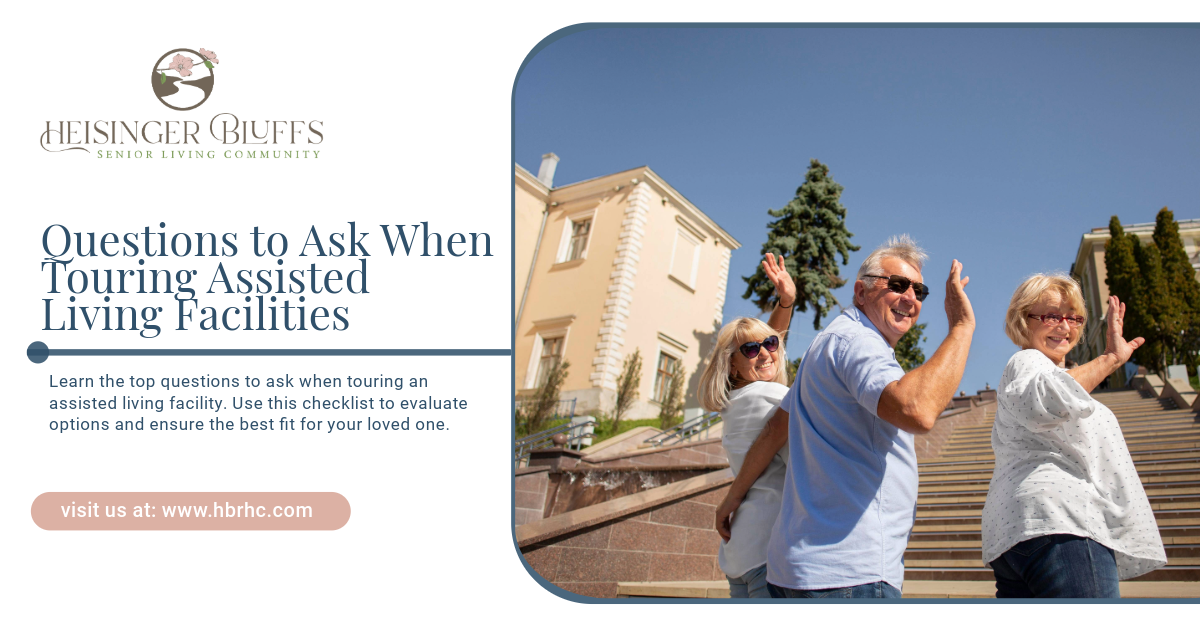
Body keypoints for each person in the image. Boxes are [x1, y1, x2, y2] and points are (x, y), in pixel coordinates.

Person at [715, 235, 975, 598]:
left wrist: (733, 496)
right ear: (860, 292)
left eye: (920, 290)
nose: (910, 298)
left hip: (801, 571)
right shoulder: (858, 341)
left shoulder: (829, 342)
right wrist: (961, 328)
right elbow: (916, 409)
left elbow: (776, 429)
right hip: (849, 573)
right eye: (898, 285)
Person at [981, 274, 1166, 598]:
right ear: (1023, 319)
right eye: (1052, 315)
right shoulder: (1028, 360)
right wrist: (1109, 359)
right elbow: (1044, 399)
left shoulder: (1055, 373)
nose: (1064, 326)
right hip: (1062, 523)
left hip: (1019, 533)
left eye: (1073, 317)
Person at [698, 253, 795, 598]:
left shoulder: (738, 401)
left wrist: (786, 301)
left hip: (741, 554)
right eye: (752, 350)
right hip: (769, 552)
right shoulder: (768, 396)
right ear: (733, 366)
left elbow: (765, 349)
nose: (767, 352)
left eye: (770, 344)